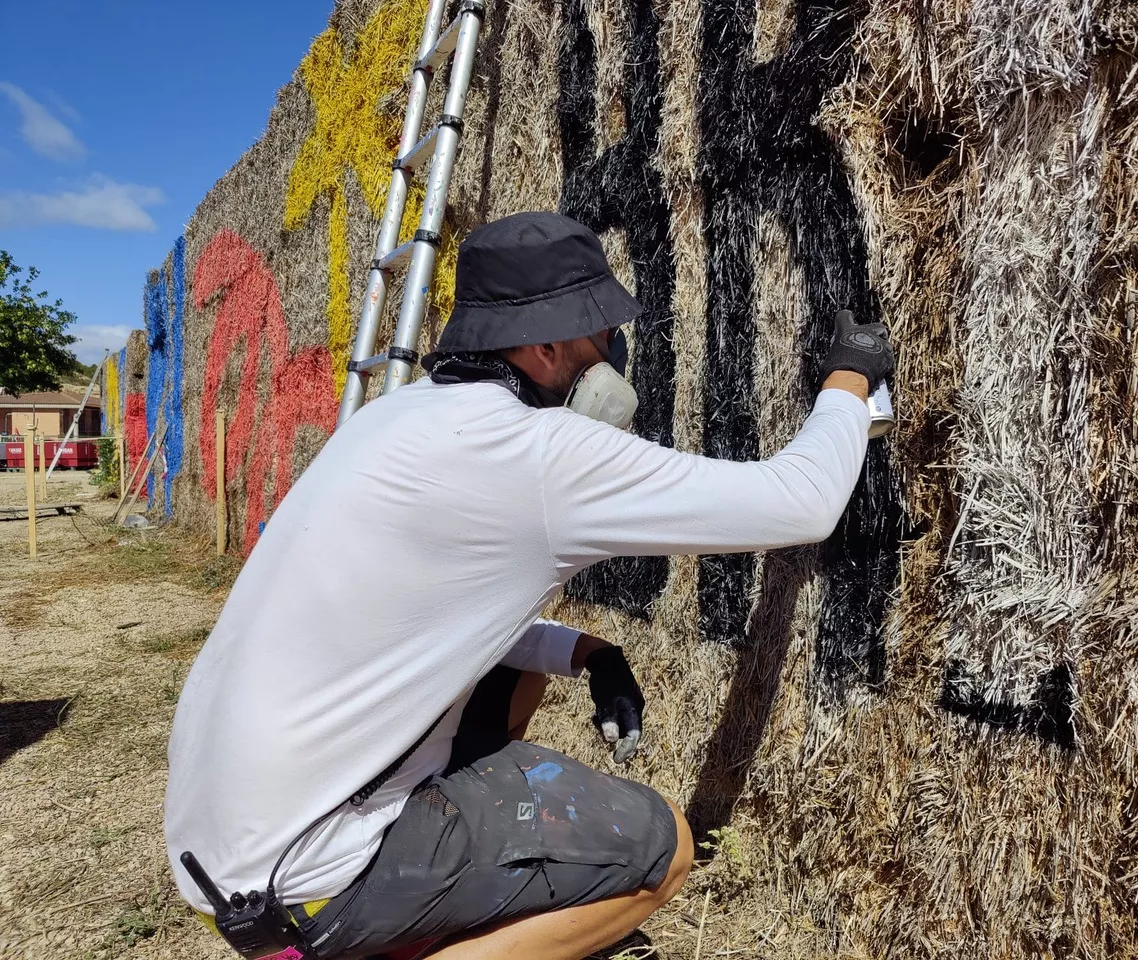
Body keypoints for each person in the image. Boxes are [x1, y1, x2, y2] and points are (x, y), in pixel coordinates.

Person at [164, 211, 894, 960]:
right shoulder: (539, 452)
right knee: (662, 846)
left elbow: (421, 621)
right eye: (599, 332)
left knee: (516, 684)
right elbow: (799, 503)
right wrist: (849, 378)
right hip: (307, 875)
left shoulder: (398, 416)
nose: (613, 350)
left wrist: (587, 654)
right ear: (545, 346)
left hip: (218, 845)